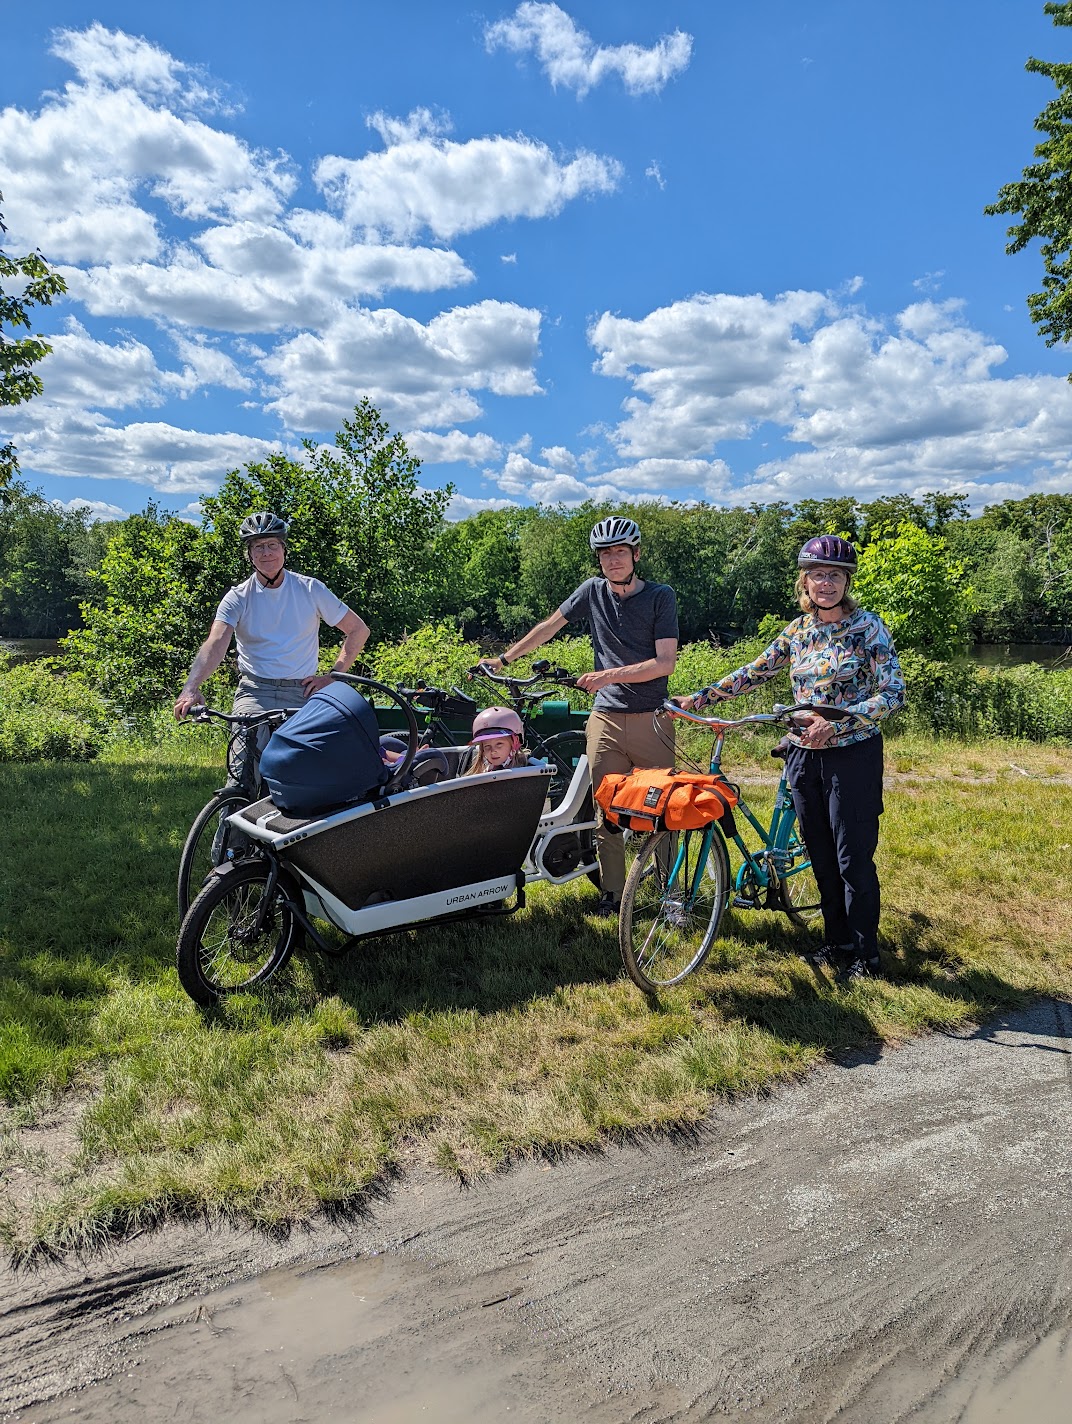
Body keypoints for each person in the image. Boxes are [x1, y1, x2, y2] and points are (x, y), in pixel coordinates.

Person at [677, 535, 904, 979]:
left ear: (846, 582)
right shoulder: (798, 632)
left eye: (835, 575)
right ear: (805, 581)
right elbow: (754, 672)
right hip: (803, 753)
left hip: (851, 753)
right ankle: (836, 941)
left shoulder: (867, 627)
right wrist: (700, 699)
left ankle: (865, 954)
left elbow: (892, 694)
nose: (826, 583)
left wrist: (836, 724)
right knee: (819, 851)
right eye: (818, 574)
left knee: (851, 857)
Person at [480, 516, 679, 915]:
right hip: (605, 718)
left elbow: (664, 663)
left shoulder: (660, 596)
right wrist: (505, 658)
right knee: (606, 808)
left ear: (636, 555)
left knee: (661, 809)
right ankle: (612, 894)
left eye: (620, 552)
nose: (613, 560)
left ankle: (669, 891)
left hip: (651, 718)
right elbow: (549, 626)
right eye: (605, 554)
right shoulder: (592, 592)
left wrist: (608, 675)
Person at [173, 512, 370, 777]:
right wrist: (190, 688)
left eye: (272, 545)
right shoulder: (238, 597)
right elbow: (216, 642)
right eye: (259, 547)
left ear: (284, 550)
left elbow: (358, 630)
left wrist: (332, 675)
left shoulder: (310, 589)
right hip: (255, 691)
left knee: (305, 773)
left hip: (302, 691)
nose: (267, 553)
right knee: (241, 769)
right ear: (250, 555)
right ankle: (233, 813)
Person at [458, 706, 531, 775]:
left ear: (515, 742)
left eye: (499, 744)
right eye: (487, 746)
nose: (493, 751)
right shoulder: (483, 769)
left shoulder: (524, 773)